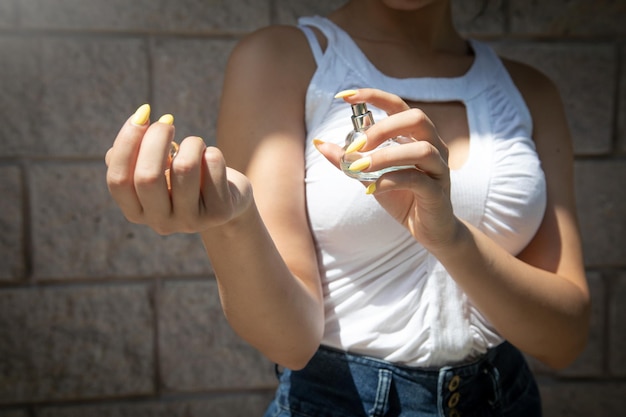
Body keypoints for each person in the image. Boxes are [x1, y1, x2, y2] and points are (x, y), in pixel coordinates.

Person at [105, 1, 590, 415]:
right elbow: (290, 342)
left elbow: (564, 340)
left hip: (506, 398)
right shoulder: (284, 58)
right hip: (343, 400)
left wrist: (450, 238)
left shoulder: (528, 90)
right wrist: (233, 221)